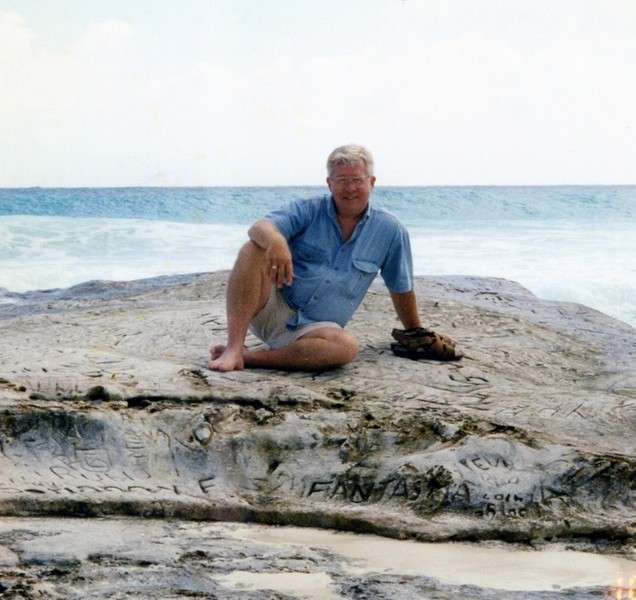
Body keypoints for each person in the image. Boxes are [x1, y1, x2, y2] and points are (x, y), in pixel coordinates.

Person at [209, 144, 422, 372]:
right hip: (270, 310)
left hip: (316, 330)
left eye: (357, 180)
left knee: (346, 347)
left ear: (372, 182)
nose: (350, 188)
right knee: (253, 248)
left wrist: (415, 332)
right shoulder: (308, 210)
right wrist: (276, 241)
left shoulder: (391, 230)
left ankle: (250, 358)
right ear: (329, 183)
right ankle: (234, 348)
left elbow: (401, 286)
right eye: (341, 180)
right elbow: (259, 227)